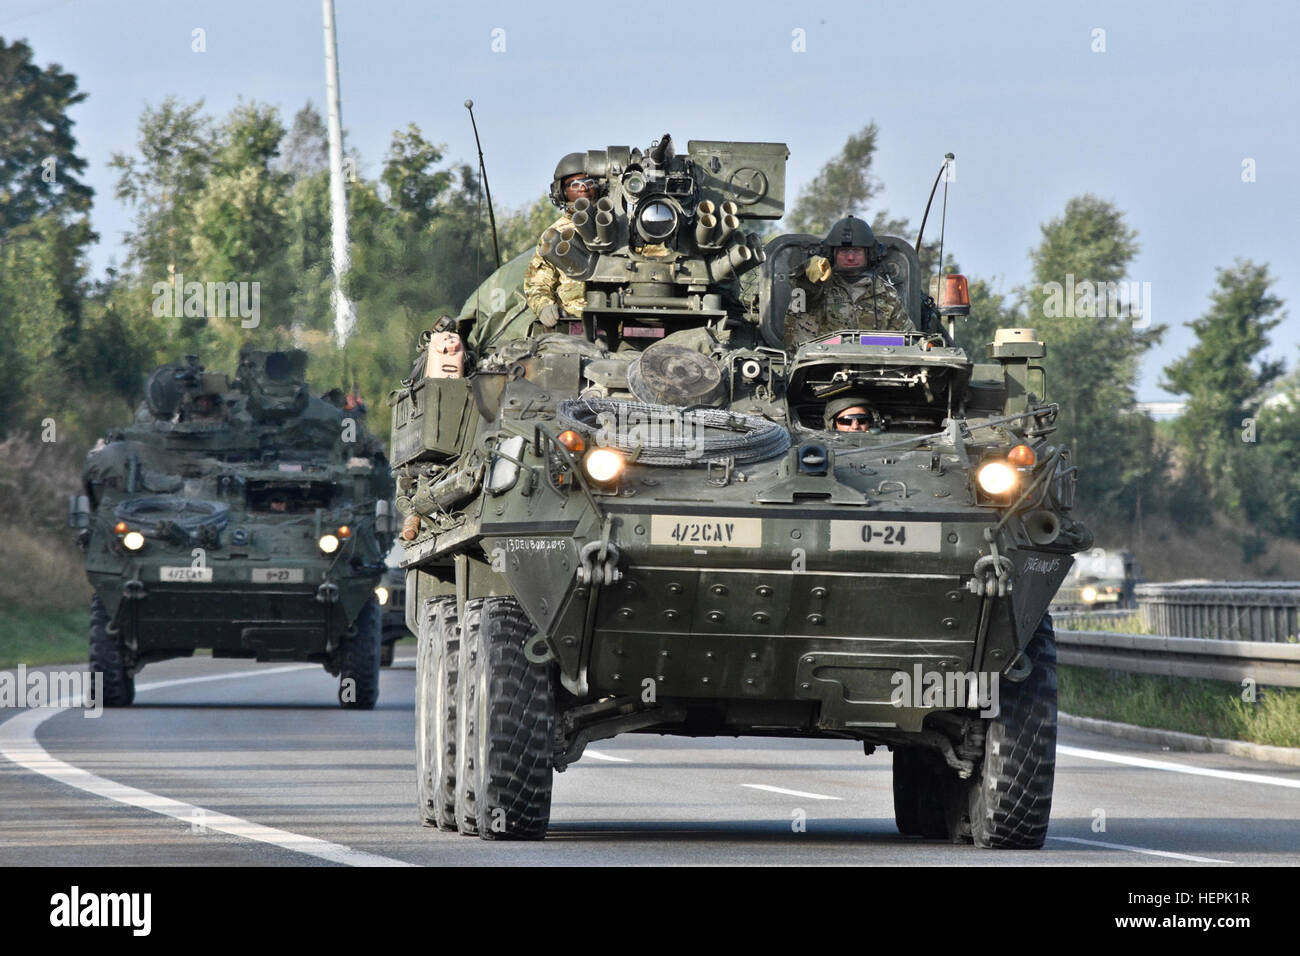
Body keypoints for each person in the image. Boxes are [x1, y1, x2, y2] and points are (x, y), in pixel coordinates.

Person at [784, 215, 911, 349]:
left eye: (856, 251)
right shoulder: (819, 285)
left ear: (870, 254)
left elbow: (905, 340)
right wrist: (807, 271)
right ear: (831, 253)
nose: (850, 257)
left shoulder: (886, 294)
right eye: (844, 251)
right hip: (818, 364)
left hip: (872, 366)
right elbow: (802, 289)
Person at [523, 152, 602, 328]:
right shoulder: (554, 235)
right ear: (562, 191)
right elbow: (537, 284)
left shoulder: (619, 224)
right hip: (574, 324)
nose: (583, 189)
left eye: (589, 183)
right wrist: (544, 306)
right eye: (575, 184)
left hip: (618, 319)